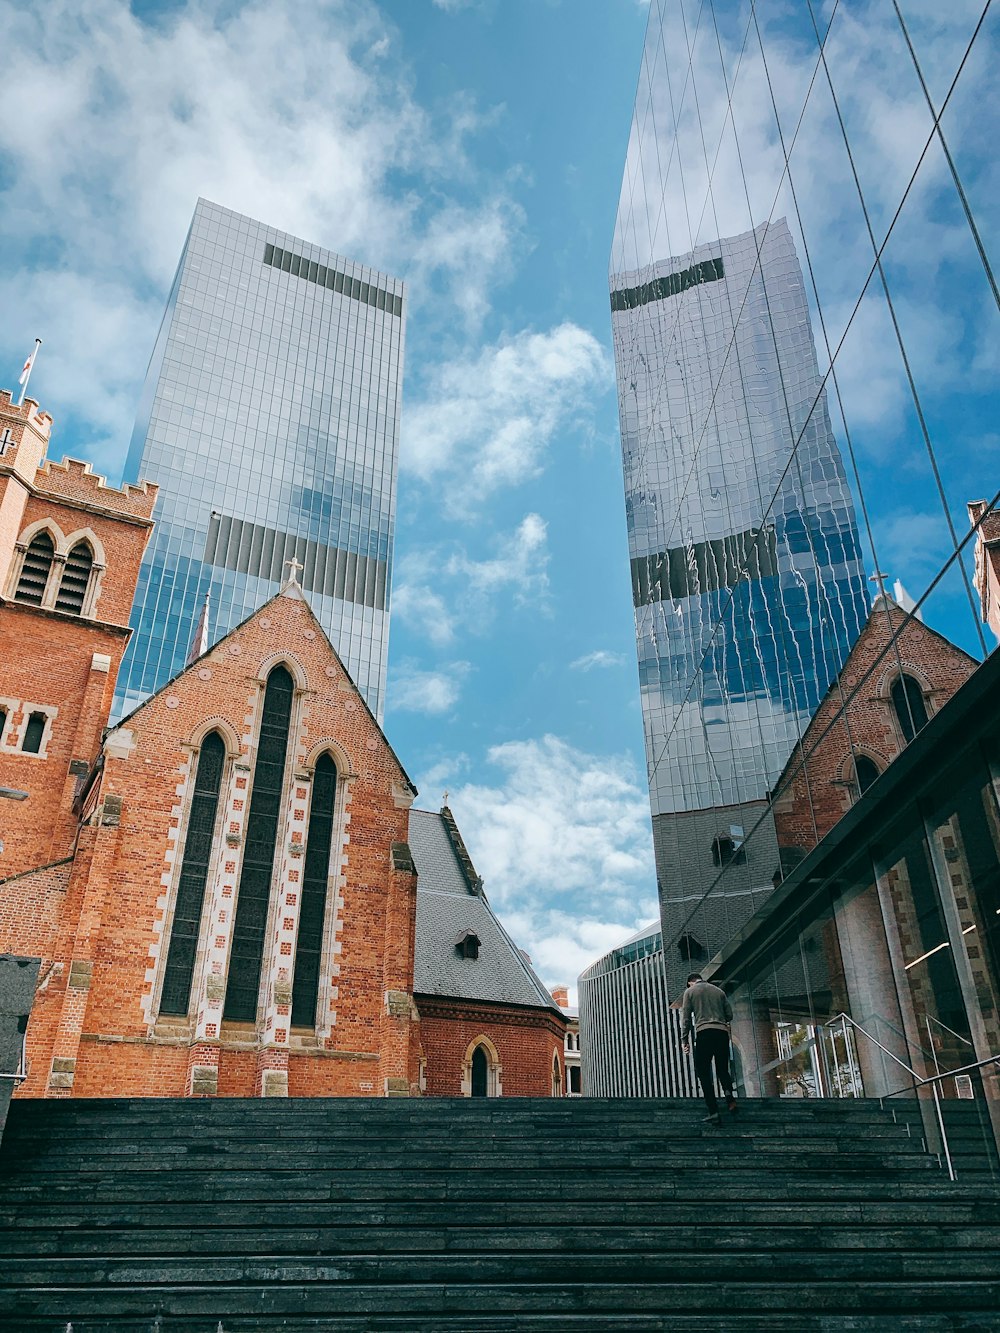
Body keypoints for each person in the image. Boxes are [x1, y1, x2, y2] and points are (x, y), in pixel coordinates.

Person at [680, 972, 737, 1125]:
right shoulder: (719, 991)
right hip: (722, 1033)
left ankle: (713, 1111)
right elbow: (729, 1015)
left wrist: (684, 1039)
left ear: (690, 982)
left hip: (704, 1032)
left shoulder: (690, 992)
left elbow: (686, 1017)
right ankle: (728, 1093)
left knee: (703, 1070)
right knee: (722, 1068)